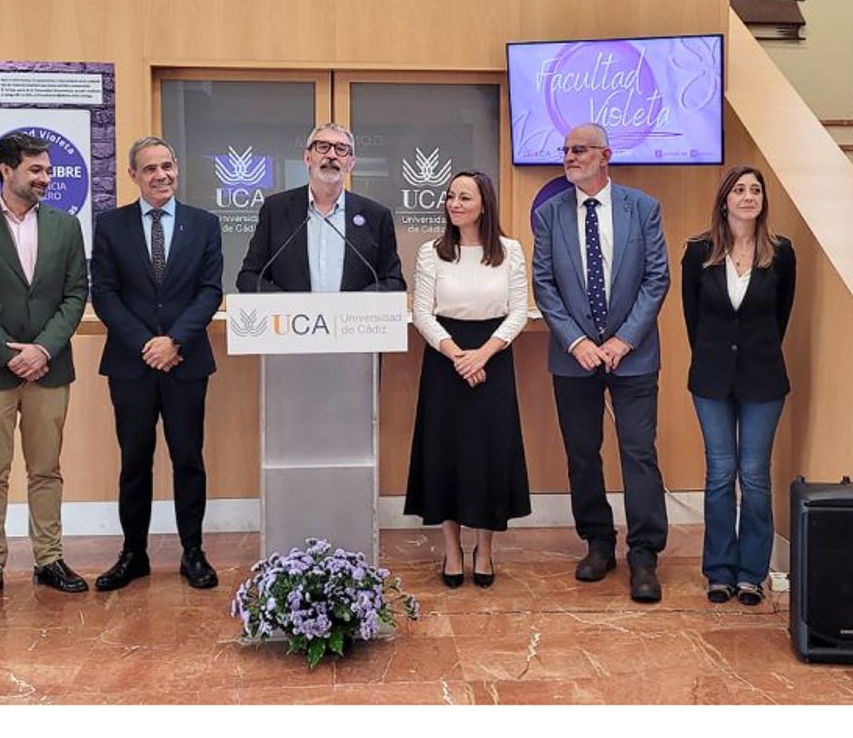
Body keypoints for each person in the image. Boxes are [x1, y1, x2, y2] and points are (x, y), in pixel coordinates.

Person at [0, 131, 89, 608]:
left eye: (48, 169)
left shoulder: (66, 227)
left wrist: (43, 349)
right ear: (6, 171)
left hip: (50, 369)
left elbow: (75, 296)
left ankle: (49, 559)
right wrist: (9, 354)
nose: (46, 178)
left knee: (46, 470)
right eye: (36, 170)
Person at [531, 122, 670, 603]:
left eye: (580, 150)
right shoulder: (549, 214)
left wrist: (623, 341)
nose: (569, 157)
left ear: (605, 155)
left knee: (638, 452)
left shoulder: (642, 208)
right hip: (574, 360)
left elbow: (657, 279)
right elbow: (544, 285)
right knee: (582, 453)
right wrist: (577, 343)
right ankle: (597, 543)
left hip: (633, 357)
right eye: (566, 150)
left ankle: (645, 554)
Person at [90, 136, 224, 590]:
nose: (161, 175)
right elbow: (104, 293)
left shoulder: (204, 224)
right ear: (133, 175)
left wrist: (174, 341)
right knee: (134, 462)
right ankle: (134, 553)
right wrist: (148, 343)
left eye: (167, 166)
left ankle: (193, 552)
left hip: (186, 362)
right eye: (150, 169)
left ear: (177, 170)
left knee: (189, 459)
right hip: (132, 365)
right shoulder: (111, 225)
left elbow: (210, 291)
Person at [404, 171, 530, 589]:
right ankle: (452, 550)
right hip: (446, 359)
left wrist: (483, 354)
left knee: (489, 456)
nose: (454, 204)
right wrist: (458, 355)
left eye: (464, 197)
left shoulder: (510, 251)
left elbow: (518, 311)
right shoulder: (432, 252)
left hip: (493, 356)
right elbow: (422, 312)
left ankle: (486, 550)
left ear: (484, 204)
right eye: (450, 196)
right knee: (447, 456)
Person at [681, 166, 795, 607]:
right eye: (739, 190)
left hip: (763, 379)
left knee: (755, 475)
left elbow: (780, 316)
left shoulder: (781, 253)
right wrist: (717, 355)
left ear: (763, 201)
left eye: (755, 190)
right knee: (720, 474)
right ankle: (719, 572)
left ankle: (751, 573)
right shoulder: (698, 251)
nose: (748, 197)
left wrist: (751, 352)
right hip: (710, 379)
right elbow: (694, 318)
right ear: (725, 199)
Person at [235, 122, 405, 293]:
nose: (331, 155)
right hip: (294, 317)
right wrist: (287, 304)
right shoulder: (276, 210)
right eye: (322, 147)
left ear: (351, 163)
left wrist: (355, 305)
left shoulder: (376, 216)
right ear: (307, 157)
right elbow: (249, 277)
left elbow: (393, 281)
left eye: (341, 149)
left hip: (352, 318)